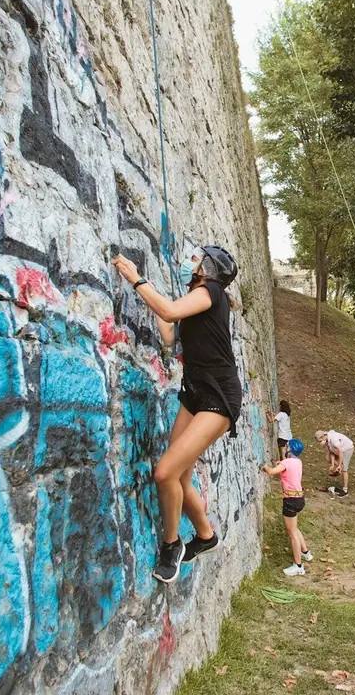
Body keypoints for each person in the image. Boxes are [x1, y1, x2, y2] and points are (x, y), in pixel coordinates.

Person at [112, 245, 241, 584]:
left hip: (218, 396)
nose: (188, 262)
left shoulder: (211, 292)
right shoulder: (193, 304)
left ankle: (171, 545)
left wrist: (136, 279)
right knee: (180, 475)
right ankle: (205, 536)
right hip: (194, 392)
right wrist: (151, 294)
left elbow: (168, 312)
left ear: (207, 269)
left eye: (195, 259)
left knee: (165, 472)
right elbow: (169, 334)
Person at [262, 438, 313, 576]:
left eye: (286, 446)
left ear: (289, 449)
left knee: (292, 534)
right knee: (294, 528)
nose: (284, 448)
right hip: (299, 499)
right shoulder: (298, 462)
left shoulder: (287, 462)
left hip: (290, 500)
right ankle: (305, 552)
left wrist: (263, 465)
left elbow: (271, 472)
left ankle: (298, 566)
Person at [315, 429, 353, 498]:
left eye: (320, 441)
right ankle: (340, 468)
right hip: (338, 450)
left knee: (344, 470)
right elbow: (331, 453)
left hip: (347, 449)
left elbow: (340, 451)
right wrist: (332, 465)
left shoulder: (333, 439)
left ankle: (345, 490)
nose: (320, 443)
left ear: (323, 436)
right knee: (328, 458)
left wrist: (339, 465)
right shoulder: (327, 441)